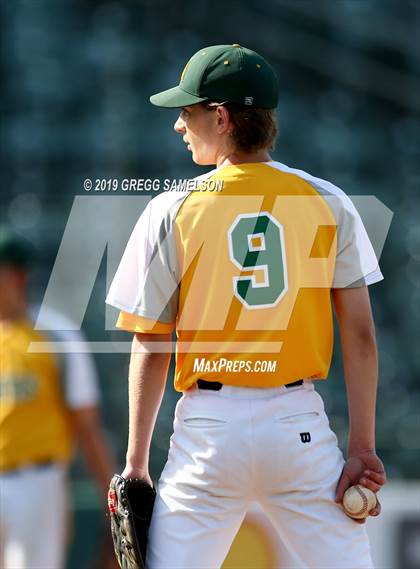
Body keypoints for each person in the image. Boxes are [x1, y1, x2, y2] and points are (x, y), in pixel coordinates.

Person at [106, 44, 386, 568]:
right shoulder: (327, 199)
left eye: (187, 113)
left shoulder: (171, 207)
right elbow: (361, 336)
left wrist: (136, 463)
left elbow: (151, 343)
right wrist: (363, 447)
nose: (179, 126)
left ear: (222, 116)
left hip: (209, 433)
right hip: (297, 428)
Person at [0, 227, 117, 569]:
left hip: (36, 484)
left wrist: (111, 507)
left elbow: (87, 426)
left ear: (17, 276)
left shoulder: (54, 334)